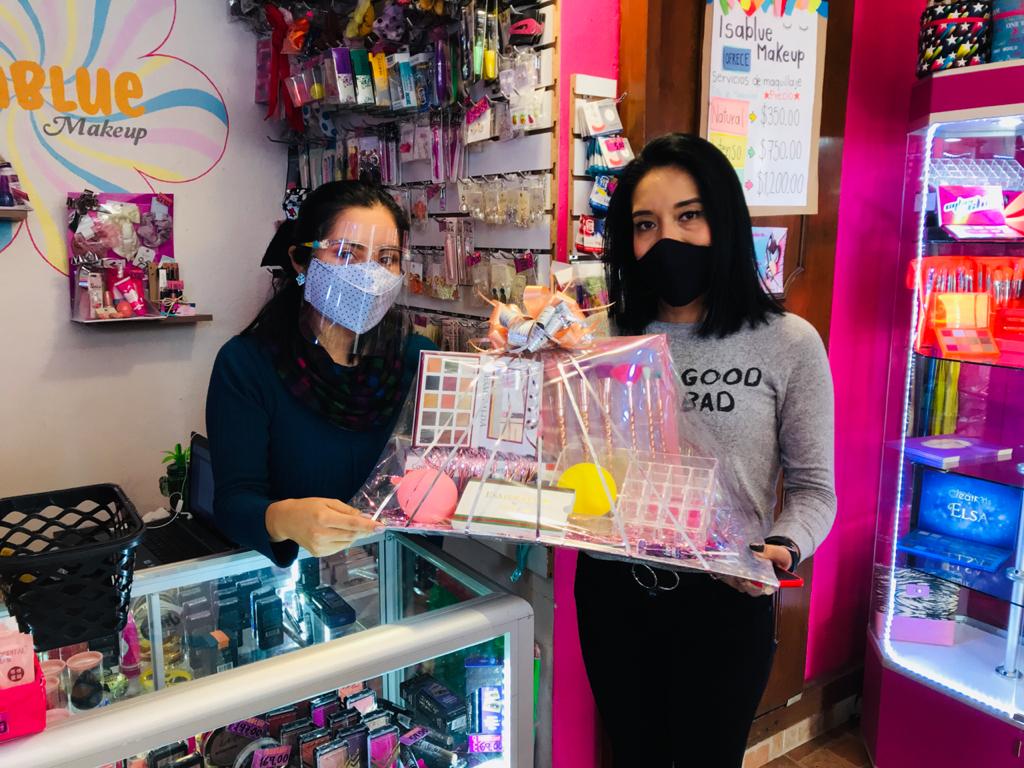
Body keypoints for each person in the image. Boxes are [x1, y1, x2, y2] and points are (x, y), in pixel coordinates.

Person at [574, 134, 837, 768]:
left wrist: (784, 547)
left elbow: (814, 490)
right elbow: (567, 462)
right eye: (646, 224)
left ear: (725, 220)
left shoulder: (789, 343)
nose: (668, 239)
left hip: (725, 603)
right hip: (613, 594)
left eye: (689, 215)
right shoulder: (600, 339)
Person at [206, 181, 433, 567]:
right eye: (346, 253)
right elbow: (232, 503)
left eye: (387, 258)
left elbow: (459, 468)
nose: (370, 274)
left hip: (399, 572)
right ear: (301, 260)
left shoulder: (416, 360)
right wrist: (283, 519)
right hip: (293, 579)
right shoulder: (247, 365)